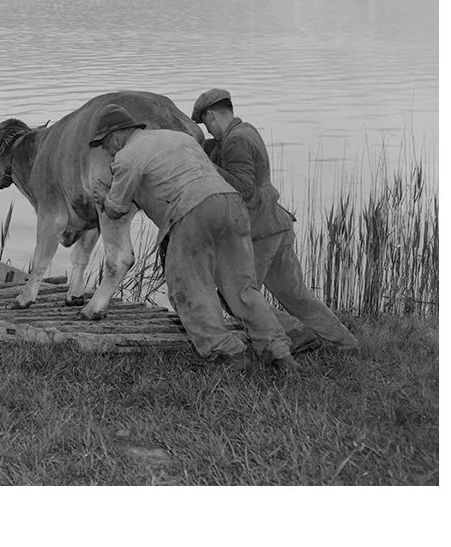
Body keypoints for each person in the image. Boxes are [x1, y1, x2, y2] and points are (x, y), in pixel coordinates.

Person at [89, 105, 298, 372]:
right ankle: (279, 352)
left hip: (193, 210)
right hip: (232, 204)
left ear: (117, 137)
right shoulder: (179, 138)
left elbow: (116, 210)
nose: (106, 151)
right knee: (242, 287)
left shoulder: (126, 157)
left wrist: (103, 197)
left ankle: (227, 353)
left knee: (187, 287)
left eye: (105, 144)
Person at [191, 88, 359, 353]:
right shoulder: (246, 130)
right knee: (295, 294)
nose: (208, 131)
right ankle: (345, 342)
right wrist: (211, 150)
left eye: (206, 124)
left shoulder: (235, 140)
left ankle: (295, 333)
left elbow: (244, 188)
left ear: (211, 115)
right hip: (276, 224)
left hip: (258, 230)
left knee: (237, 297)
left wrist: (207, 164)